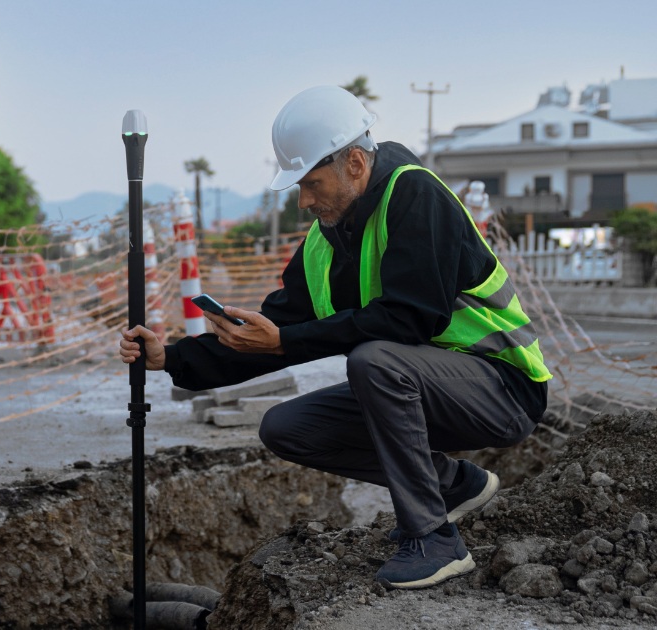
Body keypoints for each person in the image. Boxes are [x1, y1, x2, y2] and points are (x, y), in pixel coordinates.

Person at [119, 85, 550, 590]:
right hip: (425, 389)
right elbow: (273, 330)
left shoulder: (416, 195)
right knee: (286, 427)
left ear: (354, 164)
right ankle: (452, 486)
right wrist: (170, 357)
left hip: (503, 389)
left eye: (311, 183)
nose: (303, 201)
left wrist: (285, 342)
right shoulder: (325, 243)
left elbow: (409, 320)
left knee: (373, 361)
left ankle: (434, 540)